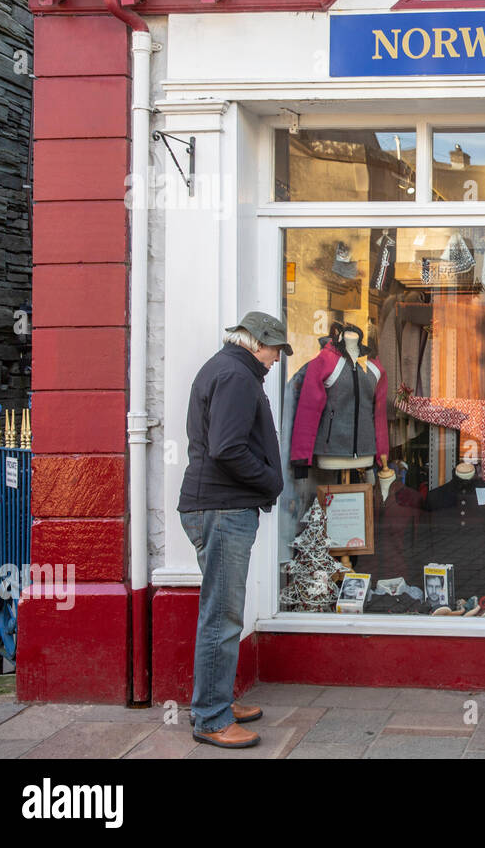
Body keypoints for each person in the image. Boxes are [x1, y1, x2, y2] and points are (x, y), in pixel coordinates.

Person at [178, 312, 290, 749]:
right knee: (222, 617)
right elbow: (227, 448)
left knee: (221, 612)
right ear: (257, 342)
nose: (278, 358)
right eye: (276, 348)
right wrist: (271, 481)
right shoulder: (238, 377)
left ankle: (215, 700)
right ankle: (210, 717)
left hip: (218, 507)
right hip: (223, 510)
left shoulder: (226, 369)